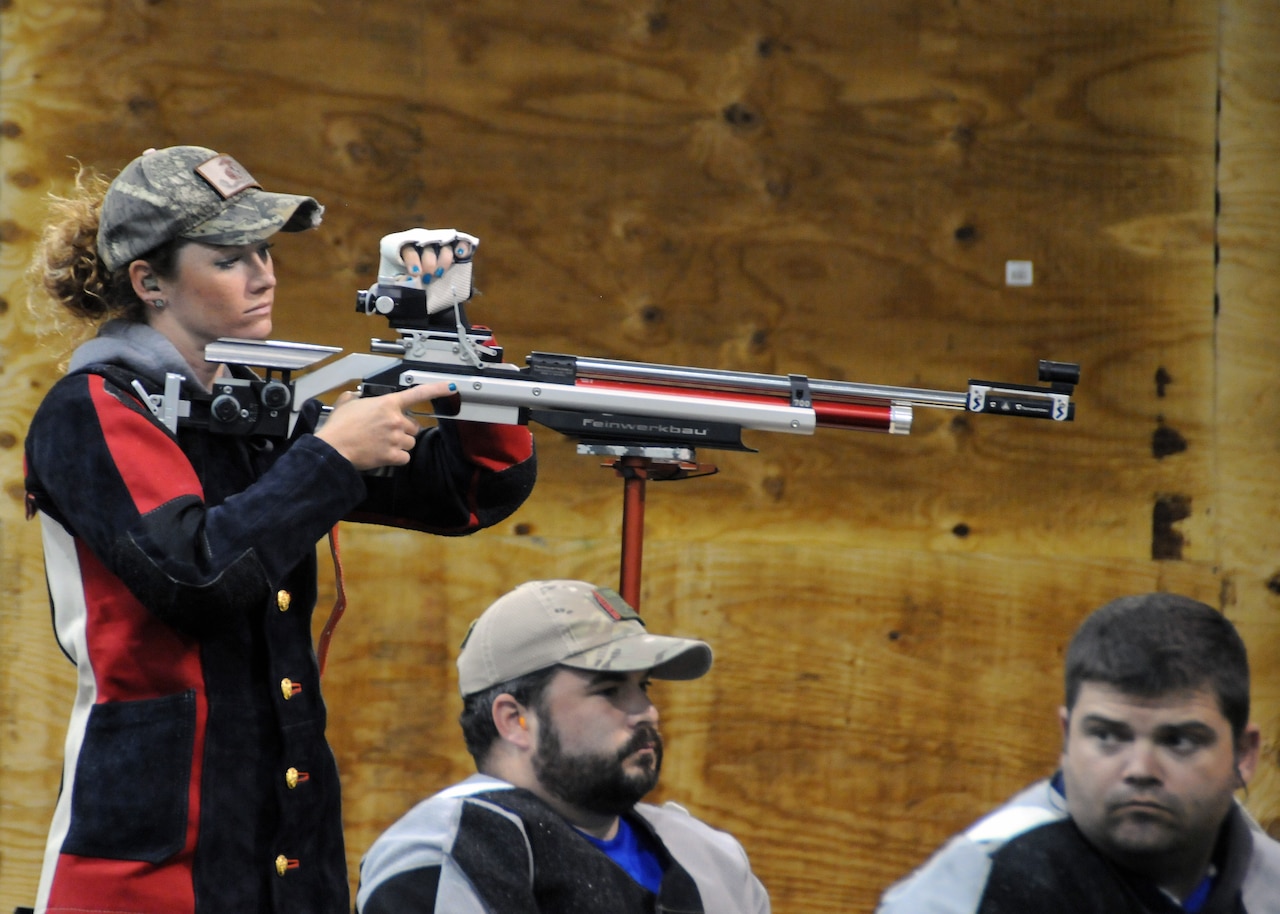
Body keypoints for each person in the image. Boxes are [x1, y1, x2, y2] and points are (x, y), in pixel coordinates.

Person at [22, 146, 537, 914]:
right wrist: (331, 456)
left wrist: (448, 348)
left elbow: (465, 494)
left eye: (263, 250)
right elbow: (193, 576)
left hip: (285, 855)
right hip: (146, 865)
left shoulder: (254, 408)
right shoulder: (89, 408)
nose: (263, 273)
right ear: (149, 281)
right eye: (229, 258)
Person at [355, 579, 772, 913]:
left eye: (643, 686)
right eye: (610, 690)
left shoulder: (710, 855)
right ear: (515, 720)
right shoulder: (451, 848)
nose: (647, 712)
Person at [875, 592, 1280, 914]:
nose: (1140, 770)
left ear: (1243, 755)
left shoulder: (1269, 882)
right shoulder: (982, 884)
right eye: (1107, 736)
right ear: (1067, 737)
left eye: (1179, 741)